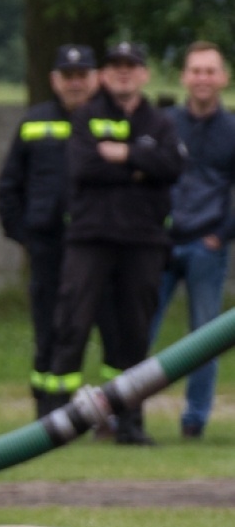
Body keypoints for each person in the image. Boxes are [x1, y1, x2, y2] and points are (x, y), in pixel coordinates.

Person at [48, 40, 185, 445]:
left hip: (142, 241)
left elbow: (172, 166)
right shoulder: (87, 114)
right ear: (104, 75)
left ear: (144, 74)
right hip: (90, 239)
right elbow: (84, 166)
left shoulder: (160, 121)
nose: (124, 73)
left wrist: (121, 154)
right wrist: (140, 165)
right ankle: (56, 422)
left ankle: (130, 423)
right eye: (116, 66)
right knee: (72, 324)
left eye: (132, 66)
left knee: (135, 334)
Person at [0, 45, 129, 418]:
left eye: (82, 76)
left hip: (102, 244)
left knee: (113, 328)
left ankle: (114, 414)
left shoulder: (113, 121)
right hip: (49, 245)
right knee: (50, 327)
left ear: (95, 78)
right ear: (55, 80)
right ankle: (48, 412)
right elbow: (9, 186)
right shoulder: (34, 122)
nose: (75, 84)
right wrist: (25, 234)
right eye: (68, 77)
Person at [151, 41, 235, 440]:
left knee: (205, 338)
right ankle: (126, 416)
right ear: (184, 77)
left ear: (223, 78)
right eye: (195, 71)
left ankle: (194, 419)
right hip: (161, 245)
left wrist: (221, 236)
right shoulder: (163, 123)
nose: (202, 78)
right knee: (140, 332)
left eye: (210, 71)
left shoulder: (232, 130)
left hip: (208, 247)